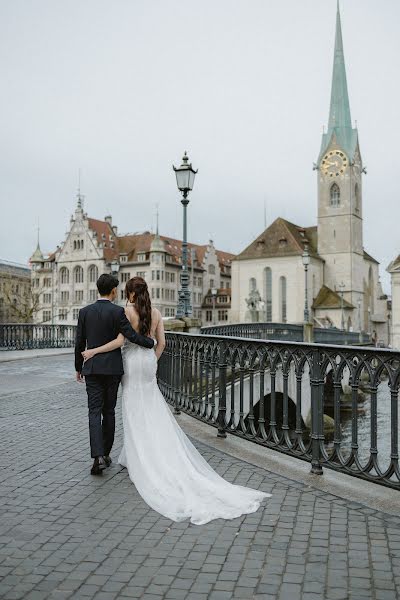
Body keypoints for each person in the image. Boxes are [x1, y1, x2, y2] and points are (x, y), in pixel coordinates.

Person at [81, 276, 270, 525]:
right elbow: (162, 344)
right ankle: (147, 450)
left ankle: (137, 455)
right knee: (152, 405)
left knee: (133, 408)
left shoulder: (125, 312)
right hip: (148, 363)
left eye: (127, 292)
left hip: (130, 364)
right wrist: (153, 361)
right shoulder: (156, 313)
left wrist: (93, 351)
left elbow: (120, 341)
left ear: (131, 294)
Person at [75, 273, 155, 475]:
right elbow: (132, 336)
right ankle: (106, 454)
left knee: (94, 411)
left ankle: (98, 457)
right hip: (112, 370)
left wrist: (78, 367)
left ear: (97, 289)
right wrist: (151, 343)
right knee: (108, 412)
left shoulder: (85, 312)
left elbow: (79, 342)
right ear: (113, 291)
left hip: (92, 368)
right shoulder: (118, 312)